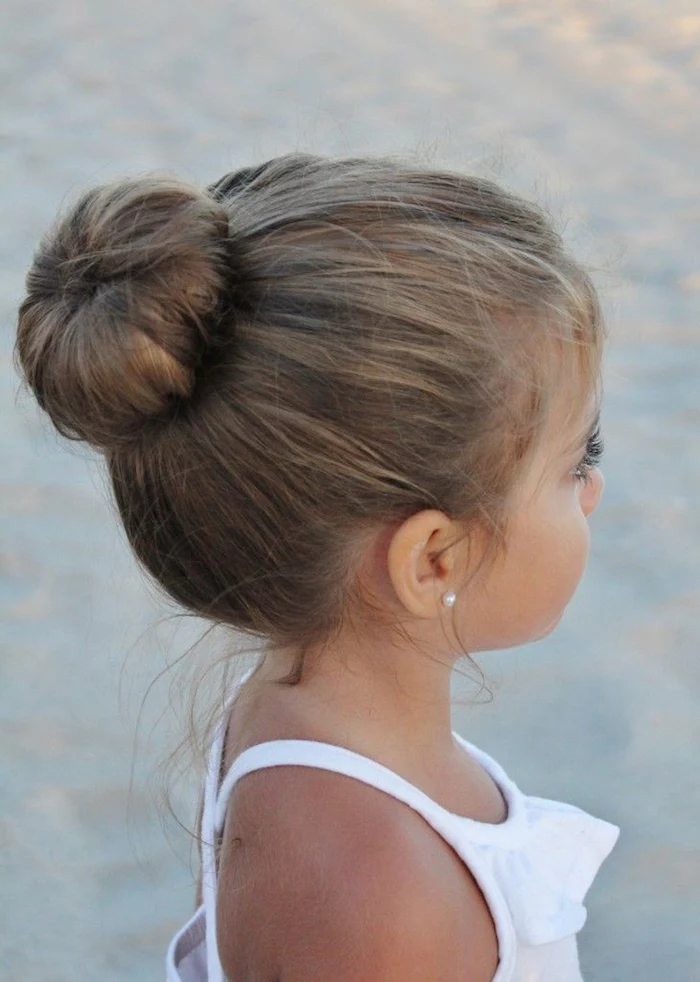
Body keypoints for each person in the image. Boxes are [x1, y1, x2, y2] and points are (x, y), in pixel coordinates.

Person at [16, 154, 619, 982]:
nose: (593, 490)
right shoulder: (380, 898)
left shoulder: (294, 718)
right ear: (433, 557)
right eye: (575, 458)